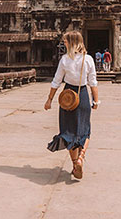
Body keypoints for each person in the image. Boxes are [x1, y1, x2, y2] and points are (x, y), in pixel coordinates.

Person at [44, 31, 100, 179]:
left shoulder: (64, 60)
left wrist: (49, 99)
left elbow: (56, 81)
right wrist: (96, 100)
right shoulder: (88, 59)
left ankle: (75, 164)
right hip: (82, 95)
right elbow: (93, 82)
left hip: (68, 96)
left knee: (68, 131)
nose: (64, 43)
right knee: (84, 130)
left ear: (72, 42)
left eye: (66, 41)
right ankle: (81, 157)